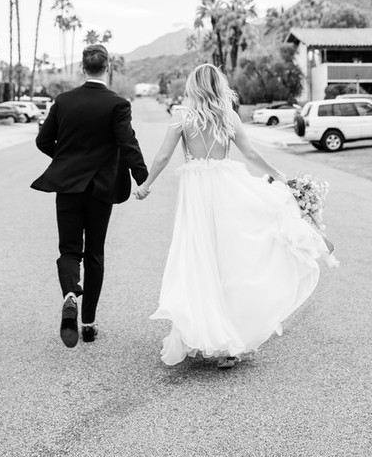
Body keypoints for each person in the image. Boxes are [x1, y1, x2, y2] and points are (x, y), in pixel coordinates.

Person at [136, 63, 332, 368]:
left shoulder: (182, 117)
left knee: (200, 259)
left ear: (193, 86)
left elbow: (162, 156)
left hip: (196, 193)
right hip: (226, 187)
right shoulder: (228, 116)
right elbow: (251, 154)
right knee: (231, 258)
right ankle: (229, 343)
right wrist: (278, 175)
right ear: (219, 85)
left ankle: (204, 334)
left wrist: (146, 186)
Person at [32, 44, 148, 348]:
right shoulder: (117, 104)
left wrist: (66, 158)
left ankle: (70, 294)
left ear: (83, 68)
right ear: (107, 67)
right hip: (100, 190)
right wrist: (142, 177)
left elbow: (43, 140)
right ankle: (88, 323)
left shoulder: (64, 101)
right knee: (95, 253)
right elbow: (128, 142)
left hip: (67, 186)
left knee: (69, 250)